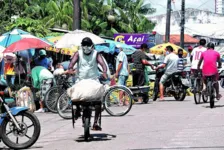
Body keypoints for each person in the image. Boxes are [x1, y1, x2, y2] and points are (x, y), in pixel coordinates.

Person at [68, 37, 107, 131]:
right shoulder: (78, 53)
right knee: (74, 96)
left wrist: (104, 72)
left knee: (99, 101)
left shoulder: (96, 54)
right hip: (80, 80)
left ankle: (95, 122)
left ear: (92, 46)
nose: (86, 47)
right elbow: (72, 63)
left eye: (88, 45)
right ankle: (77, 110)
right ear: (82, 46)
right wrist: (70, 69)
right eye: (84, 45)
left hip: (94, 80)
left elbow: (103, 64)